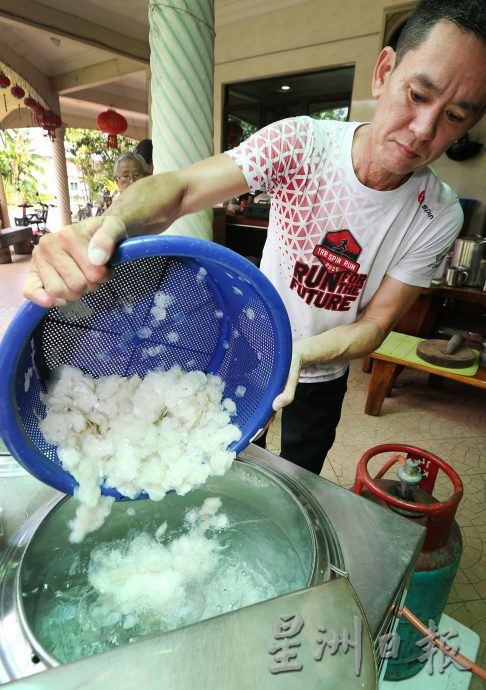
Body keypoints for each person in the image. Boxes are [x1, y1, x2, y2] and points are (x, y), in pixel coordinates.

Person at [23, 0, 486, 476]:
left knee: (300, 470)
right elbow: (181, 188)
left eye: (454, 116)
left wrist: (298, 354)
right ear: (384, 71)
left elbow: (375, 325)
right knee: (225, 461)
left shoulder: (438, 213)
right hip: (250, 346)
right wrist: (111, 224)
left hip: (324, 367)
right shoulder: (302, 145)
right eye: (417, 95)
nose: (424, 129)